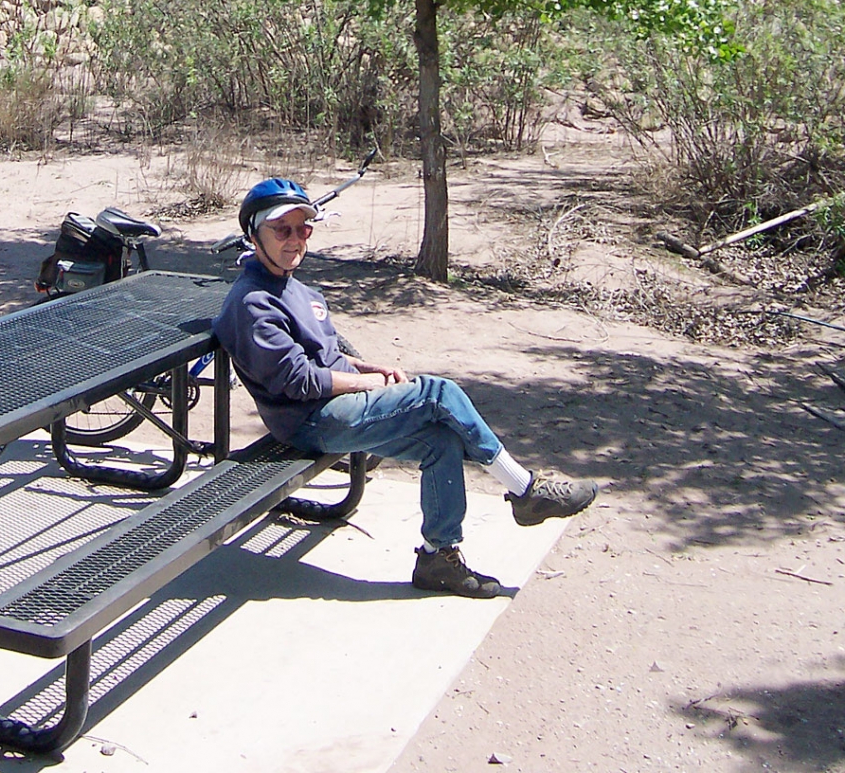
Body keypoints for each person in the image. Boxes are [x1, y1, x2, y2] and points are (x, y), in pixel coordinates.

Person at [212, 178, 598, 598]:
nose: (294, 240)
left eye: (302, 229)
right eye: (281, 230)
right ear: (253, 234)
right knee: (438, 393)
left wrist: (368, 367)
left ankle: (438, 557)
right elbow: (298, 380)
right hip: (309, 421)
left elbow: (325, 354)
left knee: (439, 440)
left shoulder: (296, 287)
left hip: (334, 406)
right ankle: (525, 490)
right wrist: (368, 382)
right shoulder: (254, 302)